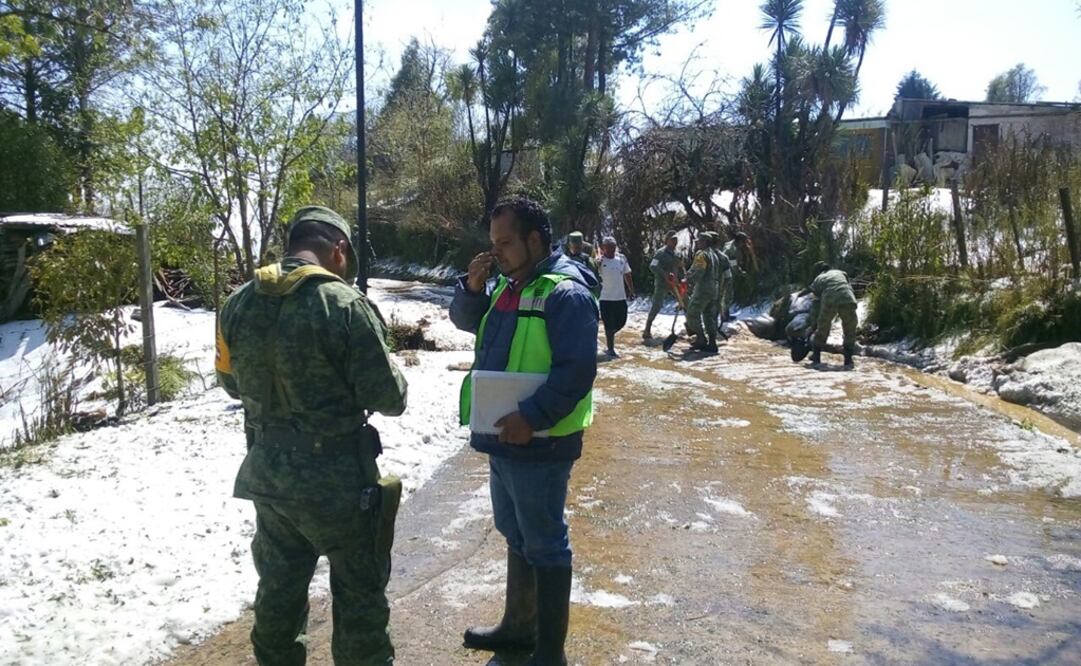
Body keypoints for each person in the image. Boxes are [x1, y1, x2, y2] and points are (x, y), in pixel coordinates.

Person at [215, 205, 408, 665]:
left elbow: (230, 383)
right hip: (340, 484)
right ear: (338, 251)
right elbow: (390, 396)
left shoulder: (237, 303)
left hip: (270, 478)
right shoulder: (342, 304)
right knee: (359, 600)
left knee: (278, 594)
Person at [450, 196, 599, 666]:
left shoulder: (566, 293)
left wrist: (531, 417)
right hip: (505, 436)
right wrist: (472, 289)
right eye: (493, 244)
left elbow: (576, 372)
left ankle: (549, 653)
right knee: (515, 530)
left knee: (545, 540)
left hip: (541, 438)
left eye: (506, 242)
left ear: (535, 240)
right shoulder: (506, 285)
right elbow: (469, 324)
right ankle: (518, 627)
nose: (497, 253)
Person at [802, 261, 858, 369]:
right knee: (850, 329)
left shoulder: (818, 279)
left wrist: (814, 325)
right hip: (848, 297)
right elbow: (846, 284)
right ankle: (848, 361)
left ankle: (816, 358)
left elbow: (816, 305)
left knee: (823, 327)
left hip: (830, 299)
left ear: (818, 272)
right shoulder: (841, 272)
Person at [597, 236, 634, 357]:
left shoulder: (621, 258)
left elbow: (627, 274)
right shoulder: (600, 261)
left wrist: (631, 290)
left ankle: (610, 335)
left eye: (613, 247)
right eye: (608, 247)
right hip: (605, 298)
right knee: (609, 324)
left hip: (620, 297)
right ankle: (610, 348)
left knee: (621, 321)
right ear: (603, 248)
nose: (611, 249)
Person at [643, 231, 684, 340]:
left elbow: (679, 267)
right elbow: (653, 266)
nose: (675, 242)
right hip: (662, 284)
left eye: (676, 239)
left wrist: (681, 278)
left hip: (675, 283)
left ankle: (690, 327)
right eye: (672, 240)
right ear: (667, 241)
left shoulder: (678, 253)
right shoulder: (660, 253)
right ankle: (647, 329)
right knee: (656, 306)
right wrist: (664, 274)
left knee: (685, 302)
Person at [684, 232, 719, 353]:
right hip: (714, 289)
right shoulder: (714, 254)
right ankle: (712, 343)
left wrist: (687, 280)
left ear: (704, 242)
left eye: (699, 241)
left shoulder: (701, 254)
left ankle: (701, 339)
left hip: (703, 289)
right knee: (708, 316)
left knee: (692, 313)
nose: (697, 243)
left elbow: (699, 272)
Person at [721, 231, 751, 321]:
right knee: (728, 295)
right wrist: (741, 272)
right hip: (726, 274)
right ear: (740, 241)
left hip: (722, 272)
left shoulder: (728, 244)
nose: (744, 244)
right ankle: (724, 317)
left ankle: (725, 315)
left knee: (725, 295)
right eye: (744, 241)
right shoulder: (732, 249)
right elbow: (733, 265)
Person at [709, 232, 733, 335]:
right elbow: (728, 277)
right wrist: (723, 290)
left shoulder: (703, 255)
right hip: (717, 288)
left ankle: (709, 334)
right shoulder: (724, 257)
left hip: (705, 288)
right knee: (714, 311)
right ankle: (712, 333)